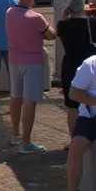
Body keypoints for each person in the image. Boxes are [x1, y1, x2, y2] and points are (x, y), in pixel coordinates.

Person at [5, 0, 57, 153]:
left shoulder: (9, 12)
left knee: (15, 97)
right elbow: (51, 35)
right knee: (29, 101)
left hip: (14, 60)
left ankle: (15, 134)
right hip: (32, 62)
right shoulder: (36, 18)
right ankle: (26, 143)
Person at [57, 0, 96, 139]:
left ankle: (74, 139)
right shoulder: (92, 24)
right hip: (90, 67)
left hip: (70, 66)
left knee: (72, 107)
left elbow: (62, 39)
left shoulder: (63, 25)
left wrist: (64, 15)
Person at [66, 55, 96, 190]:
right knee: (76, 148)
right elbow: (74, 94)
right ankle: (72, 189)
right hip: (89, 118)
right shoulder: (90, 64)